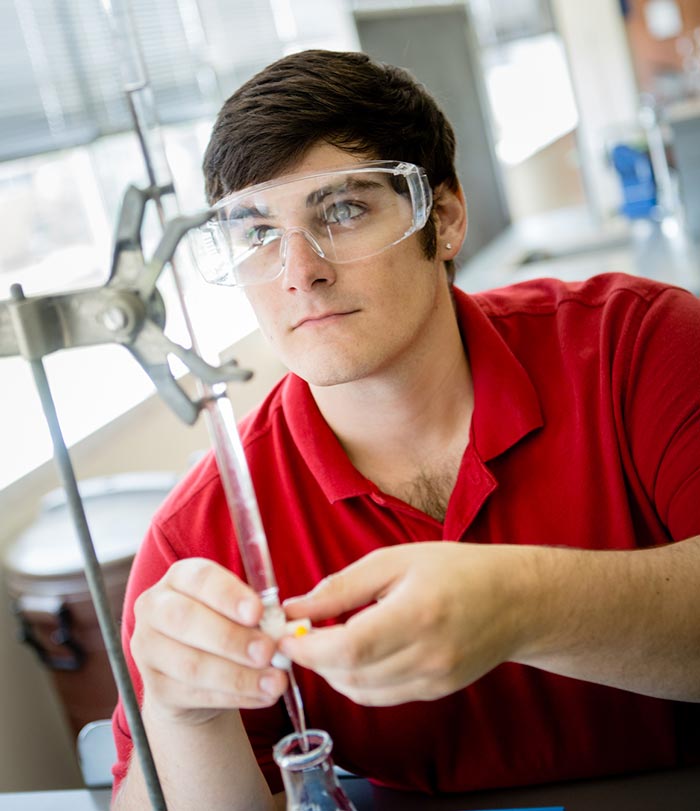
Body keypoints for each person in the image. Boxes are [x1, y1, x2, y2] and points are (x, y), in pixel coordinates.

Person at [111, 49, 700, 810]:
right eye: (256, 232)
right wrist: (183, 715)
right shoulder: (204, 530)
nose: (299, 271)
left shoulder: (637, 344)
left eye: (342, 210)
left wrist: (521, 606)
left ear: (443, 218)